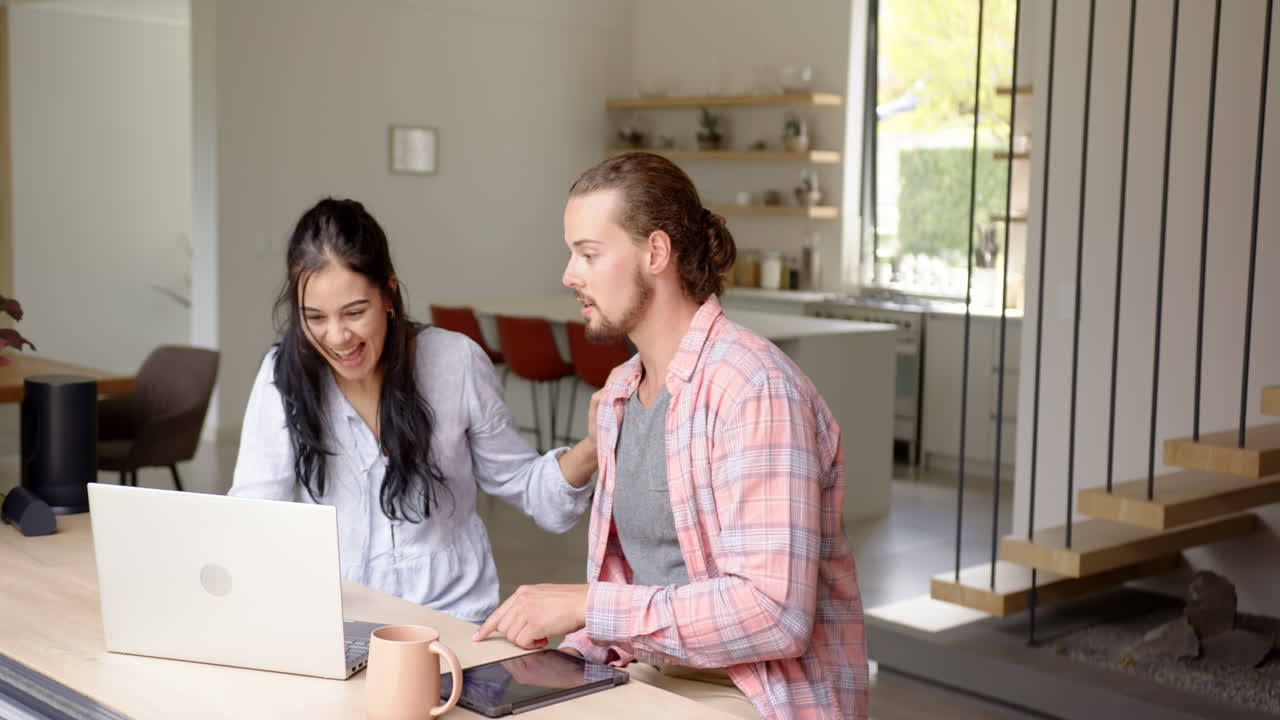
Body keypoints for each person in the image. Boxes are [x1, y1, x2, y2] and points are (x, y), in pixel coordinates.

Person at [474, 153, 869, 720]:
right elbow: (626, 598)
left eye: (588, 254)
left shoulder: (753, 389)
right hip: (653, 674)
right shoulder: (618, 393)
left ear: (655, 253)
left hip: (753, 693)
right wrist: (560, 658)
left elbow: (774, 615)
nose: (569, 274)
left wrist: (587, 604)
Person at [229, 197, 598, 623]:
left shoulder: (455, 361)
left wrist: (591, 446)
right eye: (314, 317)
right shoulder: (283, 374)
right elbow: (256, 513)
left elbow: (524, 485)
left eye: (354, 312)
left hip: (451, 619)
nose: (337, 337)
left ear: (388, 293)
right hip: (336, 620)